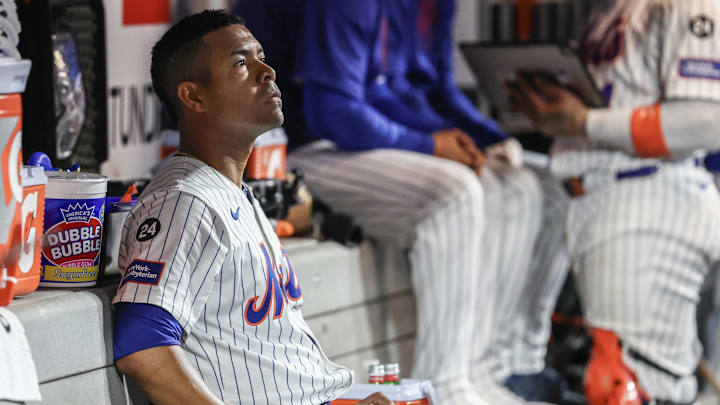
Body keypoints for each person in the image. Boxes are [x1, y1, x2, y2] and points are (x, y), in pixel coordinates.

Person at [235, 1, 568, 403]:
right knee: (455, 194)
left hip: (350, 141)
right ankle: (445, 385)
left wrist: (475, 137)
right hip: (293, 150)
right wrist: (430, 143)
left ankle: (489, 370)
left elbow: (407, 92)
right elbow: (333, 113)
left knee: (513, 186)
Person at [111, 10, 393, 405]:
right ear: (194, 96)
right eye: (241, 63)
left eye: (261, 56)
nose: (267, 72)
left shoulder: (234, 192)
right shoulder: (185, 200)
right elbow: (141, 344)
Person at [508, 0, 720, 403]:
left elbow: (707, 121)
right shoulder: (613, 7)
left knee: (628, 384)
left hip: (649, 200)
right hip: (611, 199)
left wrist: (584, 123)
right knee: (627, 377)